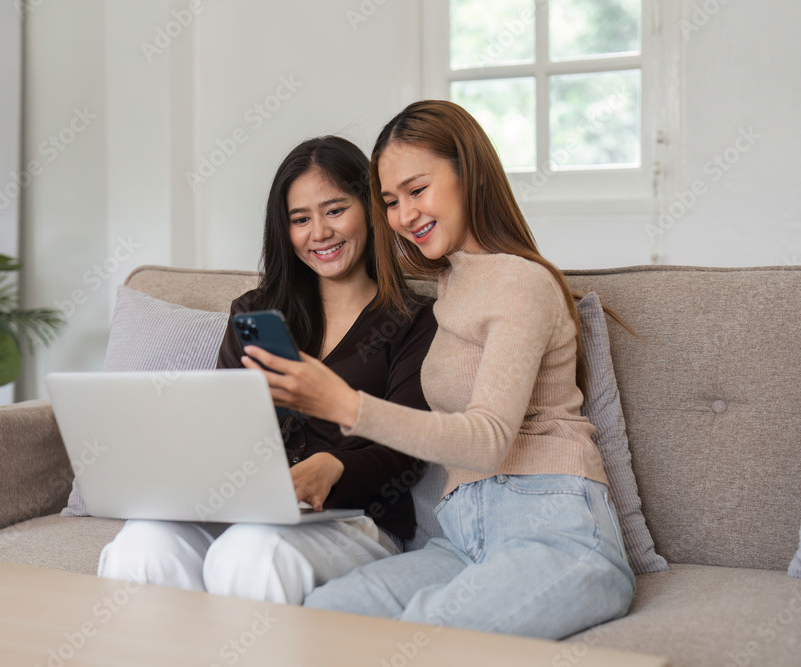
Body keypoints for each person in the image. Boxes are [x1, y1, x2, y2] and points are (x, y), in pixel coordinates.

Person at [240, 101, 636, 639]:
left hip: (555, 529)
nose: (404, 215)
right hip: (461, 537)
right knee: (323, 617)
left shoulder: (520, 282)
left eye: (417, 190)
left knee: (429, 633)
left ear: (467, 174)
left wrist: (345, 406)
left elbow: (490, 440)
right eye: (390, 201)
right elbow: (345, 255)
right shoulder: (448, 284)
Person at [97, 136, 438, 605]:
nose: (319, 232)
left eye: (335, 210)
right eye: (300, 219)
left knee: (250, 552)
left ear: (370, 210)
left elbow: (411, 446)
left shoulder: (413, 320)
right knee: (141, 544)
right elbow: (220, 425)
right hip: (246, 508)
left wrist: (331, 465)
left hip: (354, 520)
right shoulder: (256, 312)